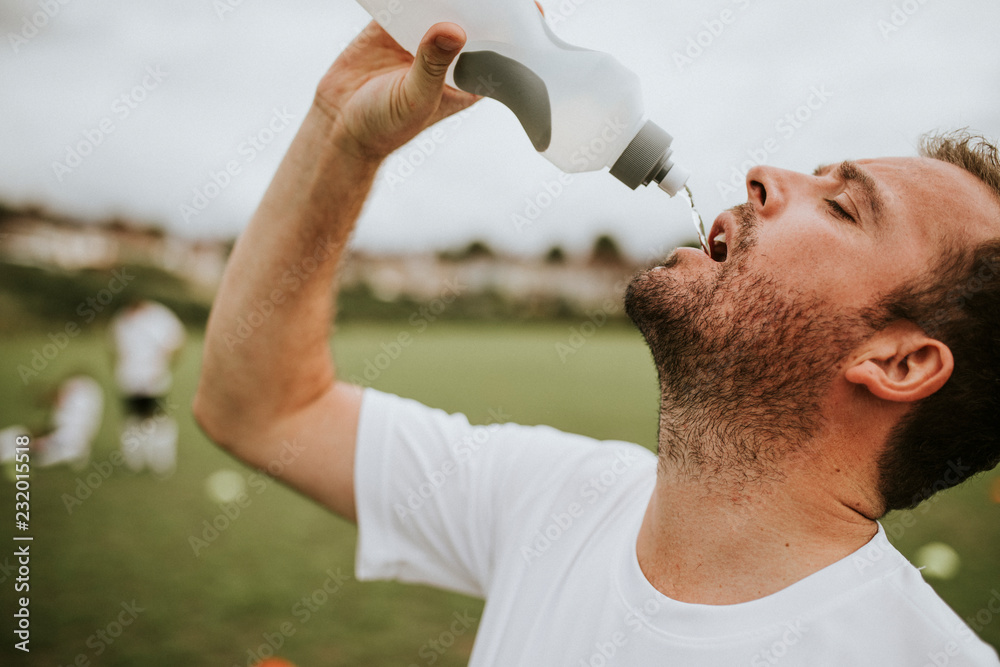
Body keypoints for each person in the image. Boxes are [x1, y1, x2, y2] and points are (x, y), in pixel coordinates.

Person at [192, 18, 1000, 666]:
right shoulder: (559, 501)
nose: (763, 174)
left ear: (899, 361)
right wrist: (344, 133)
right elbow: (261, 407)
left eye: (842, 208)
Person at [111, 299, 185, 476]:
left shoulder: (160, 317)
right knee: (133, 420)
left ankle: (161, 461)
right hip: (129, 379)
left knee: (156, 420)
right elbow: (115, 348)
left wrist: (162, 368)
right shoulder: (121, 319)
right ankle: (134, 459)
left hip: (153, 380)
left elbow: (176, 344)